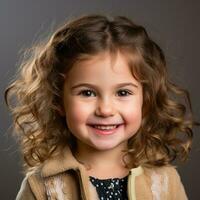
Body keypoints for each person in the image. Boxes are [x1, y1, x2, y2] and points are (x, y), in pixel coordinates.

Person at [5, 14, 196, 200]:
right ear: (58, 101)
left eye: (123, 93)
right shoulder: (42, 187)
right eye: (87, 93)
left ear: (145, 102)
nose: (105, 110)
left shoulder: (164, 180)